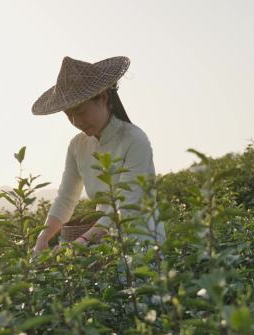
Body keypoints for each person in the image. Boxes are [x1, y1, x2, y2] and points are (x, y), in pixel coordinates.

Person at [31, 56, 165, 256]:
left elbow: (124, 205)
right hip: (104, 245)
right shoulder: (78, 145)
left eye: (81, 112)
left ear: (103, 98)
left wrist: (80, 243)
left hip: (143, 243)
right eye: (69, 116)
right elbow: (66, 199)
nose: (76, 121)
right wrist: (42, 239)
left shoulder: (135, 140)